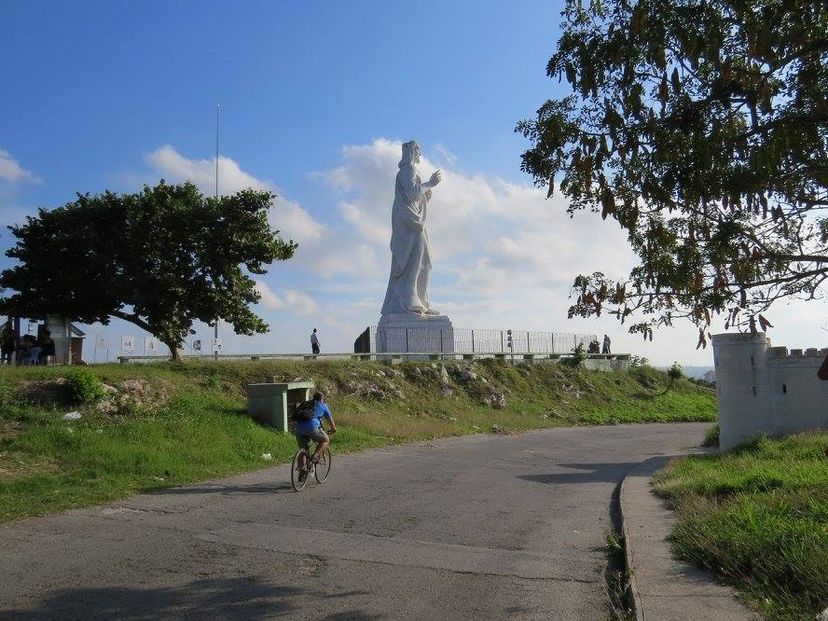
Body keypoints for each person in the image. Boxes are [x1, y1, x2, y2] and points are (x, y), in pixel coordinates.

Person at [381, 140, 442, 315]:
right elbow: (413, 193)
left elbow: (415, 197)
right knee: (416, 261)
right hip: (410, 224)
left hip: (411, 221)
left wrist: (425, 193)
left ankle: (421, 300)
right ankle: (410, 299)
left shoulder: (408, 170)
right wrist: (431, 183)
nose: (420, 154)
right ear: (413, 152)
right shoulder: (409, 169)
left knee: (423, 261)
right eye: (419, 151)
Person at [294, 392, 337, 481]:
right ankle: (315, 455)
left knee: (303, 449)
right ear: (322, 399)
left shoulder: (306, 403)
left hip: (298, 429)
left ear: (313, 398)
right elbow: (330, 419)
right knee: (325, 440)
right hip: (312, 428)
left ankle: (301, 470)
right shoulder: (323, 405)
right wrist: (333, 429)